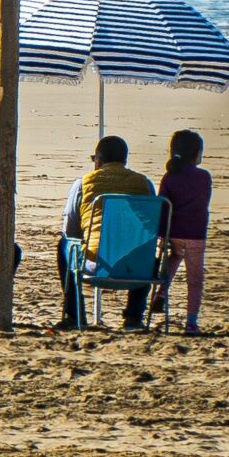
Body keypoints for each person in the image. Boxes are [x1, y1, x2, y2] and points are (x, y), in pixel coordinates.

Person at [59, 135, 155, 329]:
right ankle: (134, 317)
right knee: (148, 252)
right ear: (125, 161)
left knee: (63, 246)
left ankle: (74, 315)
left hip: (97, 265)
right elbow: (151, 227)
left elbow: (70, 230)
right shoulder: (145, 184)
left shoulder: (83, 185)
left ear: (98, 161)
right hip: (138, 269)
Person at [159, 129, 213, 336]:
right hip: (196, 234)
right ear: (196, 153)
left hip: (174, 233)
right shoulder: (203, 177)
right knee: (195, 280)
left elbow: (163, 206)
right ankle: (191, 321)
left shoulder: (169, 177)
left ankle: (162, 292)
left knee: (171, 264)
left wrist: (162, 235)